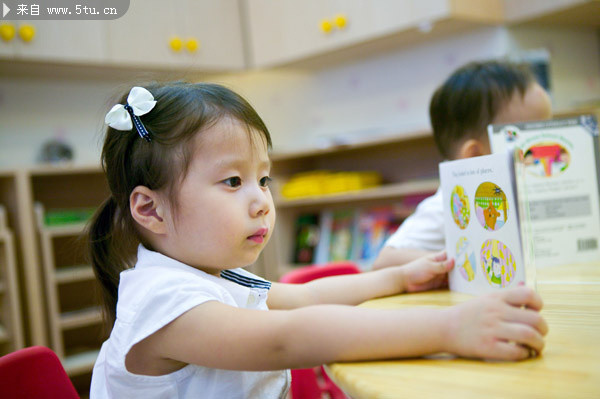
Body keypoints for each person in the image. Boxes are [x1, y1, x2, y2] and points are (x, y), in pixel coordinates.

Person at [88, 82, 548, 398]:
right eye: (233, 182)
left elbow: (303, 297)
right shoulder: (164, 299)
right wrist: (451, 328)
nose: (262, 201)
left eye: (263, 180)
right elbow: (286, 338)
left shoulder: (208, 275)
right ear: (150, 209)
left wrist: (399, 279)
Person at [372, 60, 553, 270]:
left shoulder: (539, 192)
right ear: (476, 157)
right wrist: (462, 259)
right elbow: (385, 261)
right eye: (532, 142)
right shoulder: (450, 205)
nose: (547, 150)